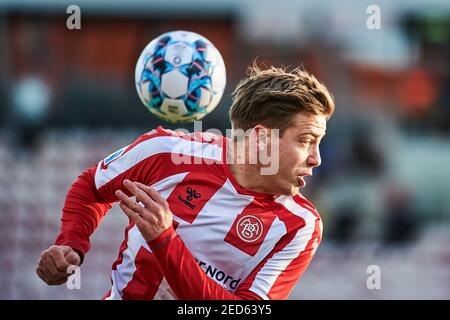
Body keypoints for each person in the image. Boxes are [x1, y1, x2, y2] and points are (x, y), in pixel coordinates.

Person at [36, 64, 335, 300]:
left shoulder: (300, 225)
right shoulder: (167, 152)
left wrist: (164, 240)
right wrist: (71, 244)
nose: (316, 159)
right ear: (260, 138)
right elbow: (92, 185)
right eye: (307, 141)